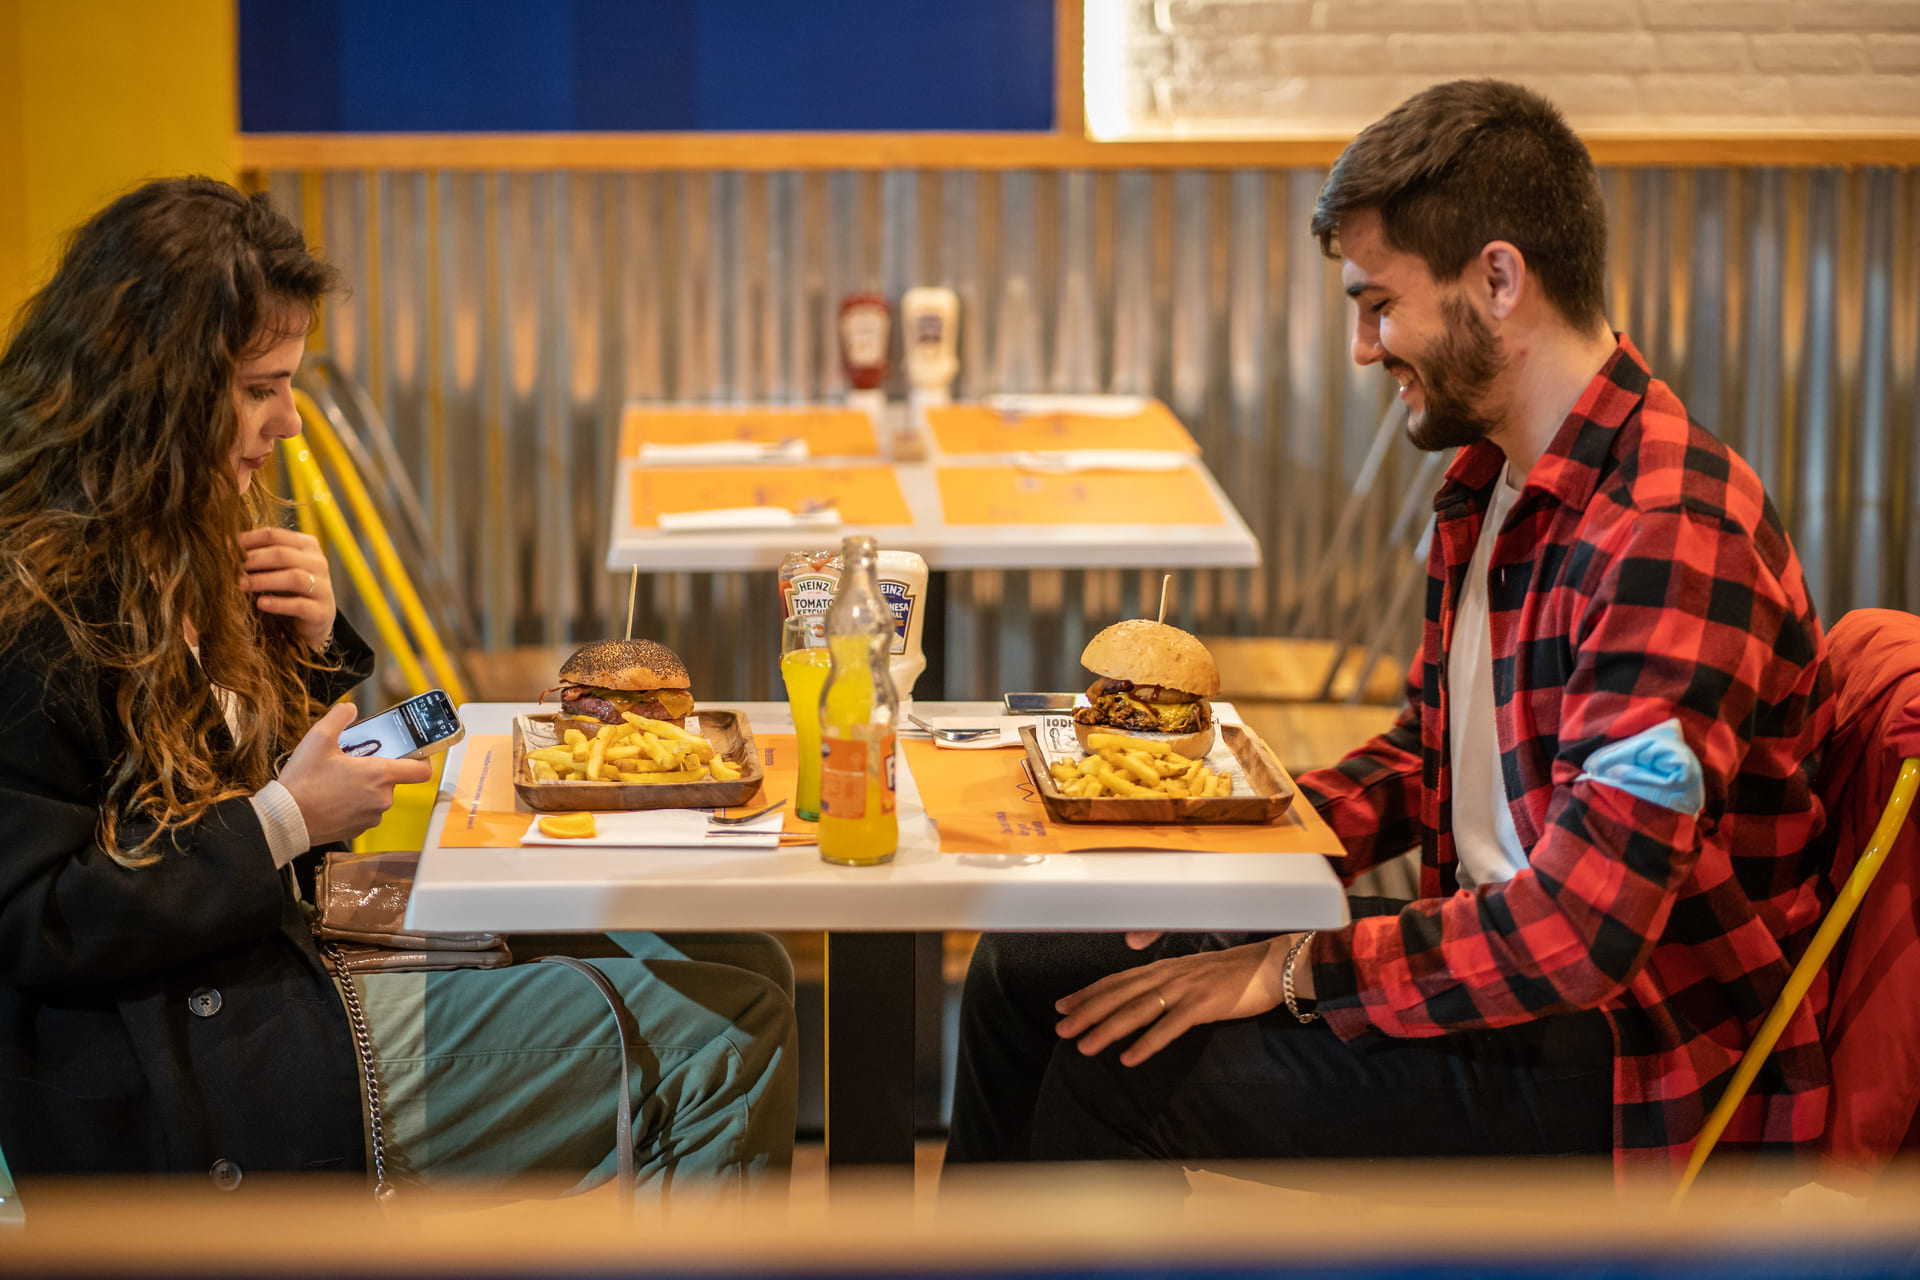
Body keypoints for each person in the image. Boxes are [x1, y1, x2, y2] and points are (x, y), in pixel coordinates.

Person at [947, 80, 1834, 1180]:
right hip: (1506, 978)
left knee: (1117, 1066)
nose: (1367, 347)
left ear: (1498, 280)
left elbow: (1584, 931)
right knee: (1029, 962)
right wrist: (1222, 847)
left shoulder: (1667, 527)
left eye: (1379, 303)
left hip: (1625, 1064)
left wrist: (1292, 965)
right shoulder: (1491, 481)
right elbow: (1426, 758)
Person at [0, 178, 797, 1196]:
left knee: (751, 957)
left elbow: (319, 779)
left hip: (263, 956)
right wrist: (286, 818)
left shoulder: (185, 534)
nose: (289, 421)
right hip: (170, 1050)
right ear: (153, 387)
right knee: (729, 1028)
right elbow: (35, 914)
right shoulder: (35, 598)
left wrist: (316, 650)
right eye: (259, 387)